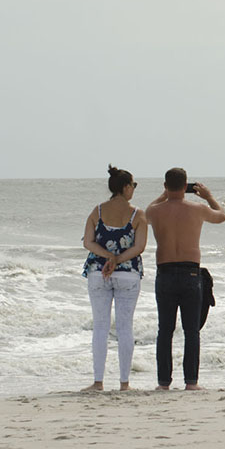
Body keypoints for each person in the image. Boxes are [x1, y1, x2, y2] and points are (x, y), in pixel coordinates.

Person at [146, 168, 225, 390]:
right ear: (186, 186)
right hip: (191, 273)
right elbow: (222, 215)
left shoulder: (155, 211)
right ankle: (191, 382)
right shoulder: (198, 209)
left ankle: (163, 383)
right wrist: (208, 196)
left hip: (165, 273)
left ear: (165, 185)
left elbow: (144, 214)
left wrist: (164, 196)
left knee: (165, 331)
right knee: (191, 330)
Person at [81, 165, 147, 391]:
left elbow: (88, 243)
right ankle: (124, 383)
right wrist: (117, 260)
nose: (134, 190)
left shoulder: (97, 211)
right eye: (134, 185)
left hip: (98, 272)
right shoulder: (138, 214)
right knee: (124, 327)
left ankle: (98, 382)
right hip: (128, 274)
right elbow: (139, 247)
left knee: (100, 326)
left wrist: (108, 257)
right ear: (126, 187)